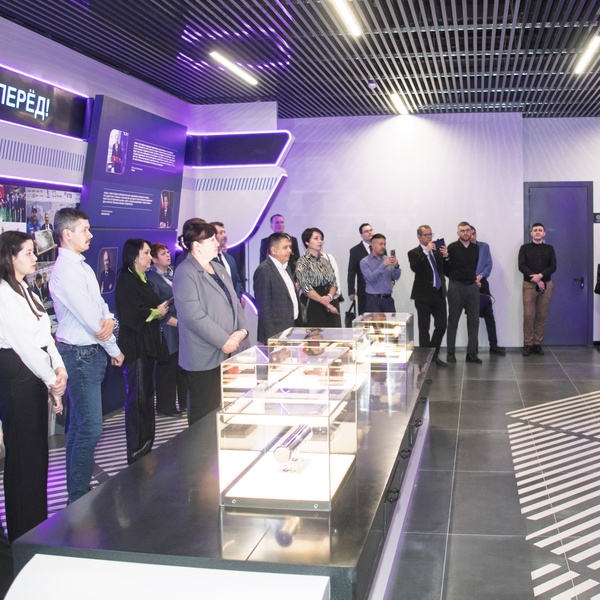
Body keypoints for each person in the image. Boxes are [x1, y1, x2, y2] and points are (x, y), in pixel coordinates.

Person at [50, 208, 124, 502]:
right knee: (90, 429)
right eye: (85, 229)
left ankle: (76, 489)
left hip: (89, 355)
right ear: (67, 234)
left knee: (80, 427)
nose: (90, 235)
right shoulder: (66, 271)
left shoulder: (81, 266)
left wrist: (111, 321)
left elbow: (101, 309)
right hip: (79, 357)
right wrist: (114, 348)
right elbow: (92, 321)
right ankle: (78, 496)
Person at [0, 231, 66, 541]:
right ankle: (23, 534)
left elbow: (46, 337)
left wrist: (59, 369)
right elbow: (24, 347)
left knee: (38, 457)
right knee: (23, 459)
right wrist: (53, 381)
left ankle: (36, 527)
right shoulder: (4, 295)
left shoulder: (28, 290)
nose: (34, 257)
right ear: (10, 257)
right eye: (28, 252)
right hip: (18, 378)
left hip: (36, 376)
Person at [173, 222, 249, 425]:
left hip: (229, 352)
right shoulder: (185, 272)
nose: (217, 243)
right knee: (204, 414)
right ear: (197, 245)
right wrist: (224, 341)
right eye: (212, 240)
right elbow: (193, 315)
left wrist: (242, 330)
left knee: (224, 409)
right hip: (203, 356)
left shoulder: (218, 268)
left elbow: (235, 303)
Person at [115, 239, 169, 464]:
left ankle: (147, 447)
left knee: (147, 398)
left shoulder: (143, 279)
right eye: (146, 253)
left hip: (148, 347)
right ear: (134, 256)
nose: (150, 257)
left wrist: (157, 310)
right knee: (138, 401)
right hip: (135, 348)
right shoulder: (126, 281)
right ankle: (137, 453)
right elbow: (132, 315)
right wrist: (156, 312)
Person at [147, 243, 186, 417]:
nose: (168, 255)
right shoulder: (152, 278)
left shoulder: (174, 271)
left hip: (181, 325)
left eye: (168, 252)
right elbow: (154, 306)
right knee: (167, 369)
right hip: (167, 328)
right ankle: (165, 405)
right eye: (163, 254)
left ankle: (183, 402)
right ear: (154, 259)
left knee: (180, 367)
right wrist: (175, 322)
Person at [408, 225, 448, 367]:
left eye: (431, 234)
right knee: (424, 328)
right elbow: (415, 267)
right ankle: (426, 359)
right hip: (423, 296)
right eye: (426, 235)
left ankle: (433, 354)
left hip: (439, 293)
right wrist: (425, 252)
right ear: (419, 237)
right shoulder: (414, 253)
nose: (429, 237)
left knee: (442, 325)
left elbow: (446, 270)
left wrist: (446, 256)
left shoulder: (437, 251)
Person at [444, 221, 481, 364]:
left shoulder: (475, 248)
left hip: (472, 287)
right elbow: (446, 269)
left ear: (471, 232)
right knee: (453, 320)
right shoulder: (452, 248)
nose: (465, 233)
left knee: (474, 320)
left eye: (467, 230)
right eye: (462, 231)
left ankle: (471, 353)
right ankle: (450, 353)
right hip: (456, 287)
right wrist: (446, 258)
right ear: (458, 233)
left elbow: (473, 267)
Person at [518, 222, 557, 356]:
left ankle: (537, 343)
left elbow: (553, 266)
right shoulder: (524, 248)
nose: (538, 232)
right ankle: (528, 344)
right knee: (529, 315)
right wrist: (535, 279)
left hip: (546, 285)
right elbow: (521, 266)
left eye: (540, 230)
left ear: (544, 233)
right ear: (531, 233)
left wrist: (540, 276)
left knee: (542, 316)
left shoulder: (549, 249)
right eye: (535, 230)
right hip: (529, 285)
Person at [253, 233, 299, 343]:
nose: (290, 251)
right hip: (276, 334)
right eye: (285, 247)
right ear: (273, 250)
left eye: (290, 247)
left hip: (290, 331)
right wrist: (273, 339)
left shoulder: (287, 268)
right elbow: (264, 309)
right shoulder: (264, 270)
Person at [295, 227, 341, 327]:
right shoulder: (302, 262)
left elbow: (333, 283)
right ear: (307, 242)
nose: (320, 241)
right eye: (316, 238)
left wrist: (329, 296)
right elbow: (306, 288)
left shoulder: (325, 260)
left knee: (331, 333)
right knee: (315, 334)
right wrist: (325, 303)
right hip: (313, 302)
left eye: (321, 239)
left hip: (327, 298)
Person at [470, 226, 506, 356]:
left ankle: (494, 346)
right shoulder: (463, 249)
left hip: (483, 283)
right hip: (469, 284)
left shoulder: (484, 246)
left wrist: (480, 277)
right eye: (469, 233)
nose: (472, 236)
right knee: (473, 318)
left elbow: (489, 265)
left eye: (474, 233)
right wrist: (473, 279)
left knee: (489, 316)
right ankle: (473, 348)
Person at [360, 233, 400, 312]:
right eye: (380, 244)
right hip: (373, 301)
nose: (383, 247)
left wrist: (396, 266)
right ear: (372, 245)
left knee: (392, 320)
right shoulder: (364, 261)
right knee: (375, 321)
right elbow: (371, 278)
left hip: (388, 300)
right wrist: (383, 265)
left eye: (384, 244)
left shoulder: (388, 259)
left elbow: (396, 276)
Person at [211, 221, 244, 300]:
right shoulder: (207, 259)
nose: (224, 235)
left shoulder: (229, 258)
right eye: (221, 233)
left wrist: (237, 298)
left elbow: (237, 281)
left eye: (224, 232)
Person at [347, 223, 373, 315]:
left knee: (381, 320)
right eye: (366, 231)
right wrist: (351, 291)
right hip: (364, 291)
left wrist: (391, 280)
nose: (370, 232)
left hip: (380, 291)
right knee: (365, 319)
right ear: (361, 235)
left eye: (371, 230)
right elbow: (351, 271)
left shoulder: (380, 247)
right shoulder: (355, 250)